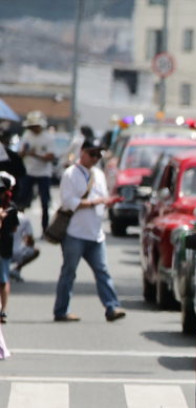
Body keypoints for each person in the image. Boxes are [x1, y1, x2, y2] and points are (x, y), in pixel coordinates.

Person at [53, 139, 125, 323]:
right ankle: (61, 310)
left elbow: (103, 197)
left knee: (102, 271)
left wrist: (108, 202)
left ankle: (112, 307)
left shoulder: (99, 174)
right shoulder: (70, 174)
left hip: (95, 233)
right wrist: (95, 202)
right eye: (92, 154)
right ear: (82, 153)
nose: (95, 158)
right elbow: (69, 202)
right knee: (69, 272)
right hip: (75, 233)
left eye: (98, 155)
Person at [18, 110, 56, 231]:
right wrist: (24, 152)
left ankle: (45, 228)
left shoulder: (48, 137)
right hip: (28, 171)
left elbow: (50, 157)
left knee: (45, 202)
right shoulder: (26, 135)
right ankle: (19, 227)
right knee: (21, 201)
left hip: (43, 173)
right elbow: (20, 154)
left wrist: (35, 154)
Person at [0, 172, 19, 323]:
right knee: (3, 279)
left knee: (3, 279)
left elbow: (13, 228)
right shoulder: (11, 207)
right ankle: (2, 310)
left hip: (4, 247)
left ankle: (3, 310)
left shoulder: (10, 208)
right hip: (5, 246)